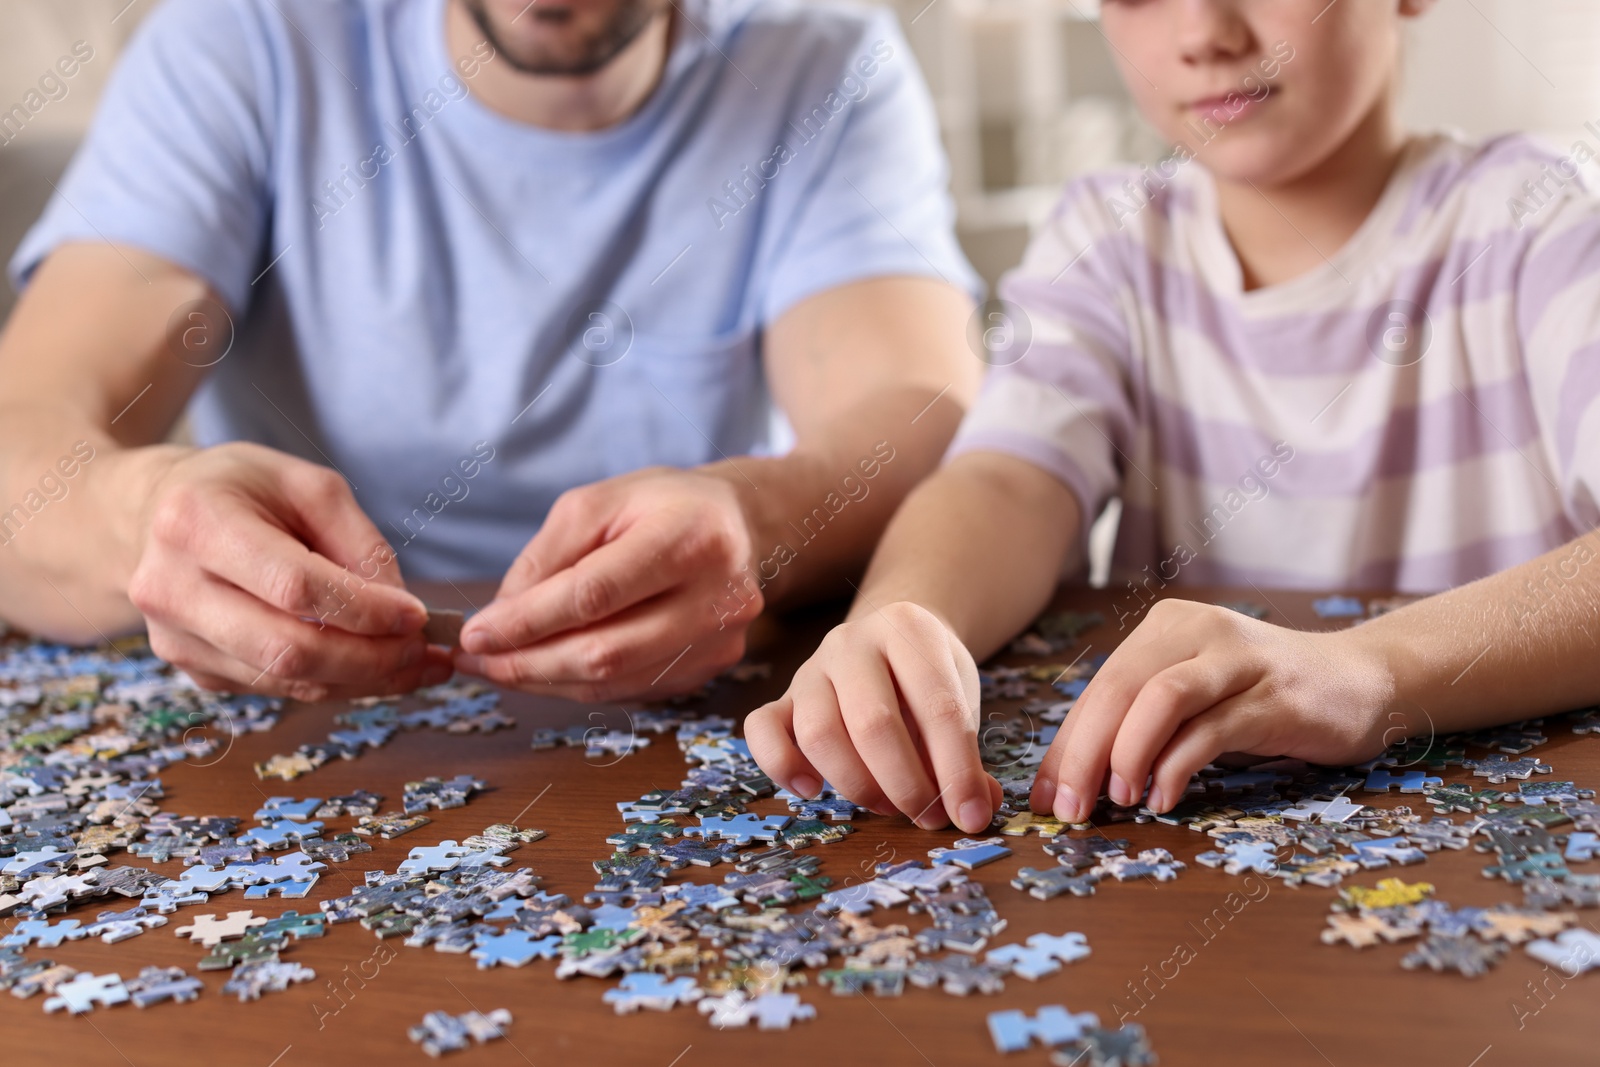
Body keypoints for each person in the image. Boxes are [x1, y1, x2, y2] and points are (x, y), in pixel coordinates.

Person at [746, 0, 1600, 834]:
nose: (1206, 34)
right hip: (1179, 827)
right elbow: (1008, 477)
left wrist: (1368, 670)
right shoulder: (1110, 240)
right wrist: (907, 619)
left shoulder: (1545, 224)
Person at [0, 0, 982, 704]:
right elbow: (21, 437)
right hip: (295, 729)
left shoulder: (822, 63)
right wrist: (149, 518)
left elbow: (923, 416)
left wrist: (753, 518)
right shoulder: (237, 39)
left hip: (699, 705)